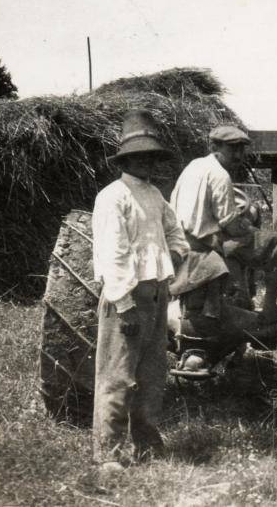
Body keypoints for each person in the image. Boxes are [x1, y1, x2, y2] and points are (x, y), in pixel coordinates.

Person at [91, 110, 189, 477]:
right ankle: (108, 453)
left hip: (156, 293)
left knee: (151, 374)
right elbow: (113, 254)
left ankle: (147, 442)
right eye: (141, 156)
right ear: (127, 159)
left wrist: (171, 259)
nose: (148, 161)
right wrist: (125, 303)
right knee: (117, 375)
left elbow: (175, 233)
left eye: (152, 155)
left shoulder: (155, 195)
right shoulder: (112, 197)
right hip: (126, 297)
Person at [170, 125, 277, 323]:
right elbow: (231, 226)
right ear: (215, 147)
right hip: (207, 242)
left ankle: (244, 295)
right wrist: (250, 227)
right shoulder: (220, 175)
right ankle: (268, 312)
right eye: (232, 148)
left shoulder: (193, 166)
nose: (238, 155)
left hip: (182, 238)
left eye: (242, 149)